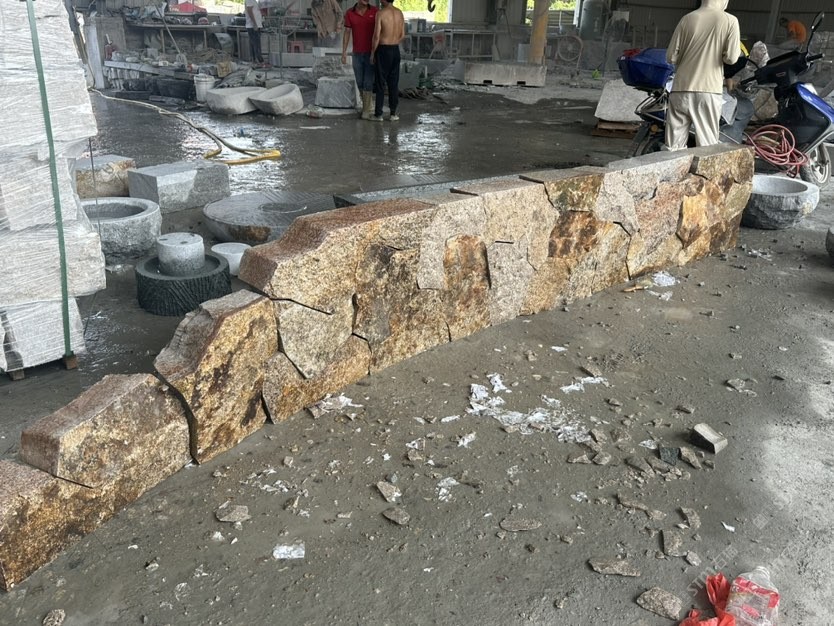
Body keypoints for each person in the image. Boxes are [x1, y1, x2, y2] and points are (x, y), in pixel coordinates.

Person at [665, 0, 741, 150]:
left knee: (673, 148)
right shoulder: (730, 20)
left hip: (680, 88)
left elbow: (671, 57)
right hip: (708, 90)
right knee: (706, 148)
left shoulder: (687, 19)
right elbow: (731, 58)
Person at [342, 0, 379, 120]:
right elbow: (347, 32)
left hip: (371, 53)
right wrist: (344, 52)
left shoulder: (375, 11)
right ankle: (367, 104)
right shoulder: (350, 13)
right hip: (357, 53)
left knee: (368, 81)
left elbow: (380, 31)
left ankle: (366, 111)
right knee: (359, 81)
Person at [371, 0, 405, 121]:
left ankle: (378, 114)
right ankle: (393, 114)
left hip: (383, 50)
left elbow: (376, 36)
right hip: (395, 50)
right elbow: (402, 35)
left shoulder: (380, 13)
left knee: (380, 83)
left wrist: (372, 53)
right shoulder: (400, 13)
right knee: (393, 83)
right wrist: (393, 42)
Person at [245, 0, 266, 67]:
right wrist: (254, 23)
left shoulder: (254, 1)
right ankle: (259, 61)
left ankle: (254, 61)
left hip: (256, 25)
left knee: (254, 43)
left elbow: (254, 11)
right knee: (256, 44)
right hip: (253, 26)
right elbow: (249, 11)